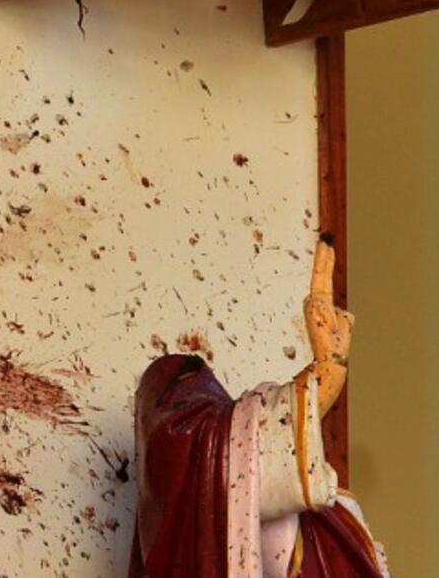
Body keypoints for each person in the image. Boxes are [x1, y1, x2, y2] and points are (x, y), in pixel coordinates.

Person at [130, 242, 390, 577]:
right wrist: (325, 374)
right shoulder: (172, 415)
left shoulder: (333, 515)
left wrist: (327, 373)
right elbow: (246, 468)